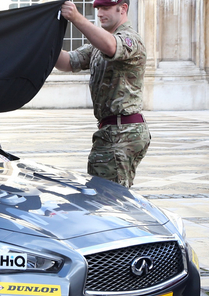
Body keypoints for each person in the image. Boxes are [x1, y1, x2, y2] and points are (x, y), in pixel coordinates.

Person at [55, 0, 149, 188]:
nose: (99, 13)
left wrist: (76, 17)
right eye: (97, 8)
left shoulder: (130, 39)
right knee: (107, 196)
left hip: (122, 132)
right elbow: (67, 62)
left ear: (123, 8)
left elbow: (112, 47)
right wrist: (43, 43)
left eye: (105, 8)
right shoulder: (100, 44)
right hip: (111, 131)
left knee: (107, 199)